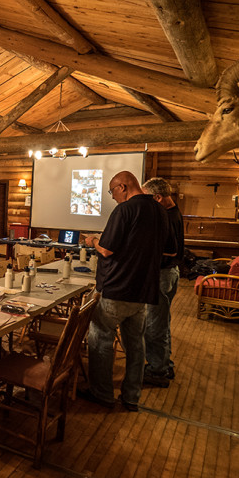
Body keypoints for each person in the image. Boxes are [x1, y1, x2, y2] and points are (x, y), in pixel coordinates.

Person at [78, 171, 175, 411]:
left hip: (116, 288)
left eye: (112, 192)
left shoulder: (124, 210)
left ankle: (102, 393)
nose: (114, 197)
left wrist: (92, 241)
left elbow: (108, 250)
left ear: (123, 186)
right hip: (143, 290)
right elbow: (169, 251)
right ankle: (131, 396)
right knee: (135, 345)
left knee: (100, 339)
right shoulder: (160, 211)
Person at [141, 177, 184, 387]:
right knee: (162, 322)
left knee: (154, 325)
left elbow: (168, 250)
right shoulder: (174, 213)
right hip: (171, 272)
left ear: (157, 197)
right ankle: (164, 364)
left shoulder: (165, 217)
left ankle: (157, 371)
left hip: (162, 274)